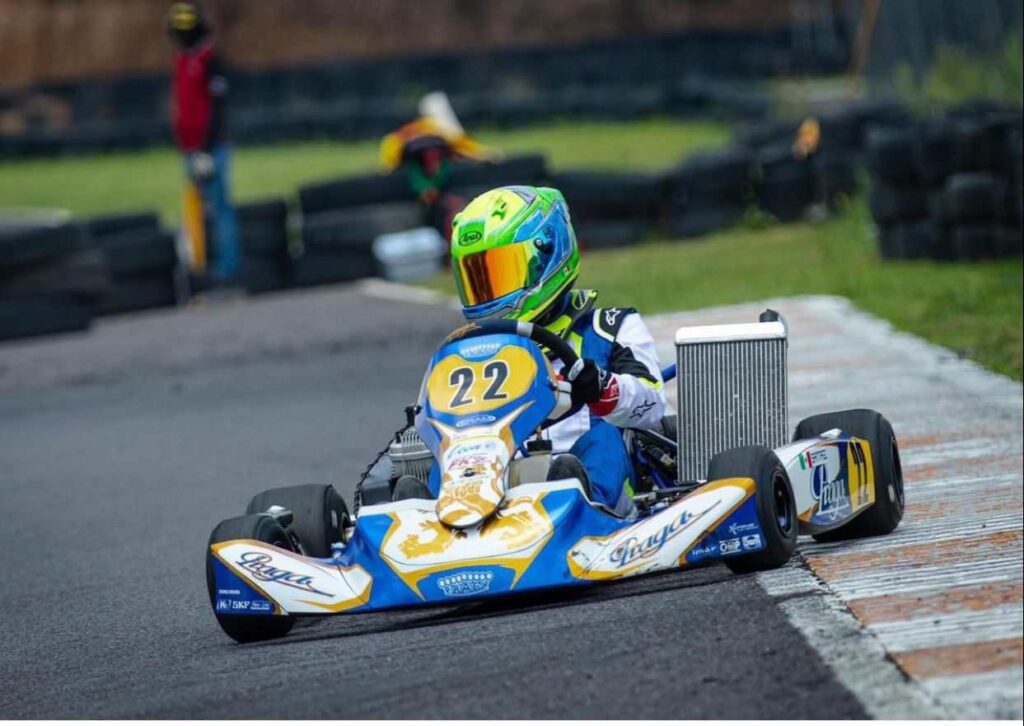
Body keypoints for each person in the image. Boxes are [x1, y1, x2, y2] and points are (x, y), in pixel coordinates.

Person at [400, 185, 666, 518]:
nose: (488, 292)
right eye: (477, 278)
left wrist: (603, 387)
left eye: (500, 272)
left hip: (591, 480)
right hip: (499, 476)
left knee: (603, 439)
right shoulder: (469, 350)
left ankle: (582, 506)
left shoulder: (608, 327)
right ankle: (426, 515)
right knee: (448, 453)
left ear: (547, 254)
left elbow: (653, 407)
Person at [167, 1, 240, 284]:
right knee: (194, 208)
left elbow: (218, 108)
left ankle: (227, 269)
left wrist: (206, 150)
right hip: (190, 148)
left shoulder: (211, 61)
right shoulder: (182, 62)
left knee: (221, 206)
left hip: (213, 148)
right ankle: (199, 267)